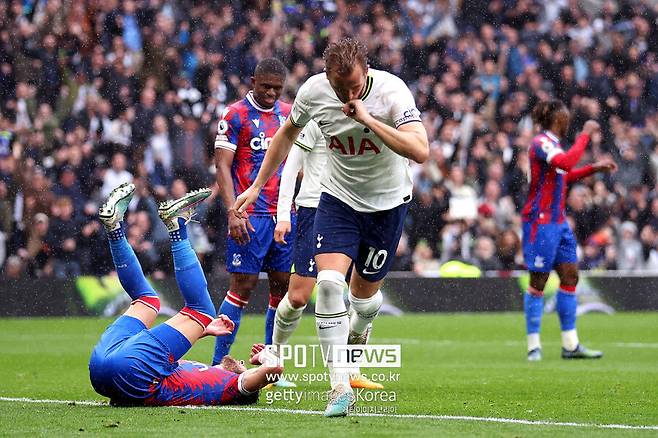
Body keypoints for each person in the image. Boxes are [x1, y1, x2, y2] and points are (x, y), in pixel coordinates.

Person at [233, 38, 429, 417]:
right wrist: (257, 187)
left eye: (355, 86)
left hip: (387, 206)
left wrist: (368, 119)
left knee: (365, 302)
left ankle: (355, 345)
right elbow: (287, 135)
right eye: (341, 88)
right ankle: (339, 385)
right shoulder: (314, 91)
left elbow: (420, 151)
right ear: (327, 76)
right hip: (337, 201)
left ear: (366, 71)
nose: (348, 94)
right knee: (325, 285)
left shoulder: (391, 91)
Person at [89, 183, 282, 406]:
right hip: (105, 371)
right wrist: (202, 330)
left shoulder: (233, 387)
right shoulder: (195, 374)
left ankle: (177, 225)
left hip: (128, 373)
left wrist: (265, 356)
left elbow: (274, 370)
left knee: (202, 311)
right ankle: (115, 229)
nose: (241, 362)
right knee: (147, 301)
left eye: (244, 367)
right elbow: (157, 357)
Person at [272, 119, 382, 390]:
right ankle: (273, 359)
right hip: (314, 209)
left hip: (356, 210)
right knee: (298, 296)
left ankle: (351, 368)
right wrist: (283, 215)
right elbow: (291, 166)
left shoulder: (367, 118)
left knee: (359, 296)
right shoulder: (317, 118)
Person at [212, 58, 295, 368]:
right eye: (266, 87)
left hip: (284, 214)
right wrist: (233, 211)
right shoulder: (235, 115)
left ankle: (270, 362)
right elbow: (222, 164)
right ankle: (219, 364)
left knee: (282, 287)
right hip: (250, 214)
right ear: (253, 81)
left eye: (277, 88)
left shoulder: (289, 115)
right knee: (242, 286)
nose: (272, 93)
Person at [522, 100, 617, 362]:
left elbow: (565, 175)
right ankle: (533, 346)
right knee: (538, 282)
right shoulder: (541, 143)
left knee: (570, 276)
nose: (569, 122)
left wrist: (592, 169)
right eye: (566, 118)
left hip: (559, 222)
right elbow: (565, 164)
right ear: (558, 119)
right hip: (540, 222)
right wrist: (585, 134)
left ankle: (570, 345)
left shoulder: (553, 145)